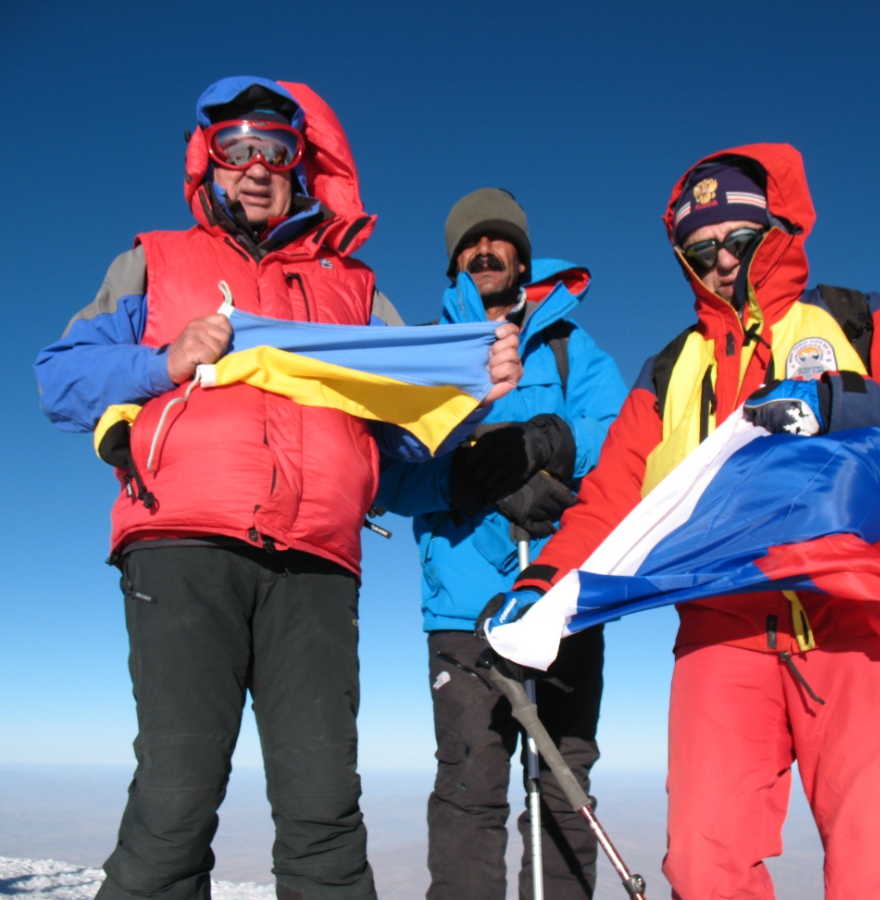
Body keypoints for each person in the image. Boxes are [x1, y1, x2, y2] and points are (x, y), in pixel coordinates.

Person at [34, 77, 521, 900]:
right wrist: (163, 359)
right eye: (236, 149)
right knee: (175, 801)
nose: (256, 167)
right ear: (208, 163)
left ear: (303, 165)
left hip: (318, 565)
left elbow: (400, 426)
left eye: (276, 150)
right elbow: (61, 381)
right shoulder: (154, 261)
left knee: (325, 809)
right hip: (183, 547)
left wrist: (472, 388)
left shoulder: (356, 290)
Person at [502, 144, 880, 899]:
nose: (723, 260)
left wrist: (836, 405)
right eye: (701, 250)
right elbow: (610, 498)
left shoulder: (850, 319)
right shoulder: (670, 371)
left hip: (855, 614)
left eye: (740, 237)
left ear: (778, 226)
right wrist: (539, 583)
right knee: (704, 866)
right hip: (721, 628)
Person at [375, 189, 627, 900]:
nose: (484, 251)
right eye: (469, 243)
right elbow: (386, 475)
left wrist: (550, 445)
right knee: (468, 789)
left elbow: (621, 443)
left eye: (498, 240)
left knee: (564, 777)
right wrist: (460, 479)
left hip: (559, 593)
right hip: (462, 610)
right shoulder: (424, 351)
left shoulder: (575, 349)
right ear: (455, 260)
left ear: (522, 253)